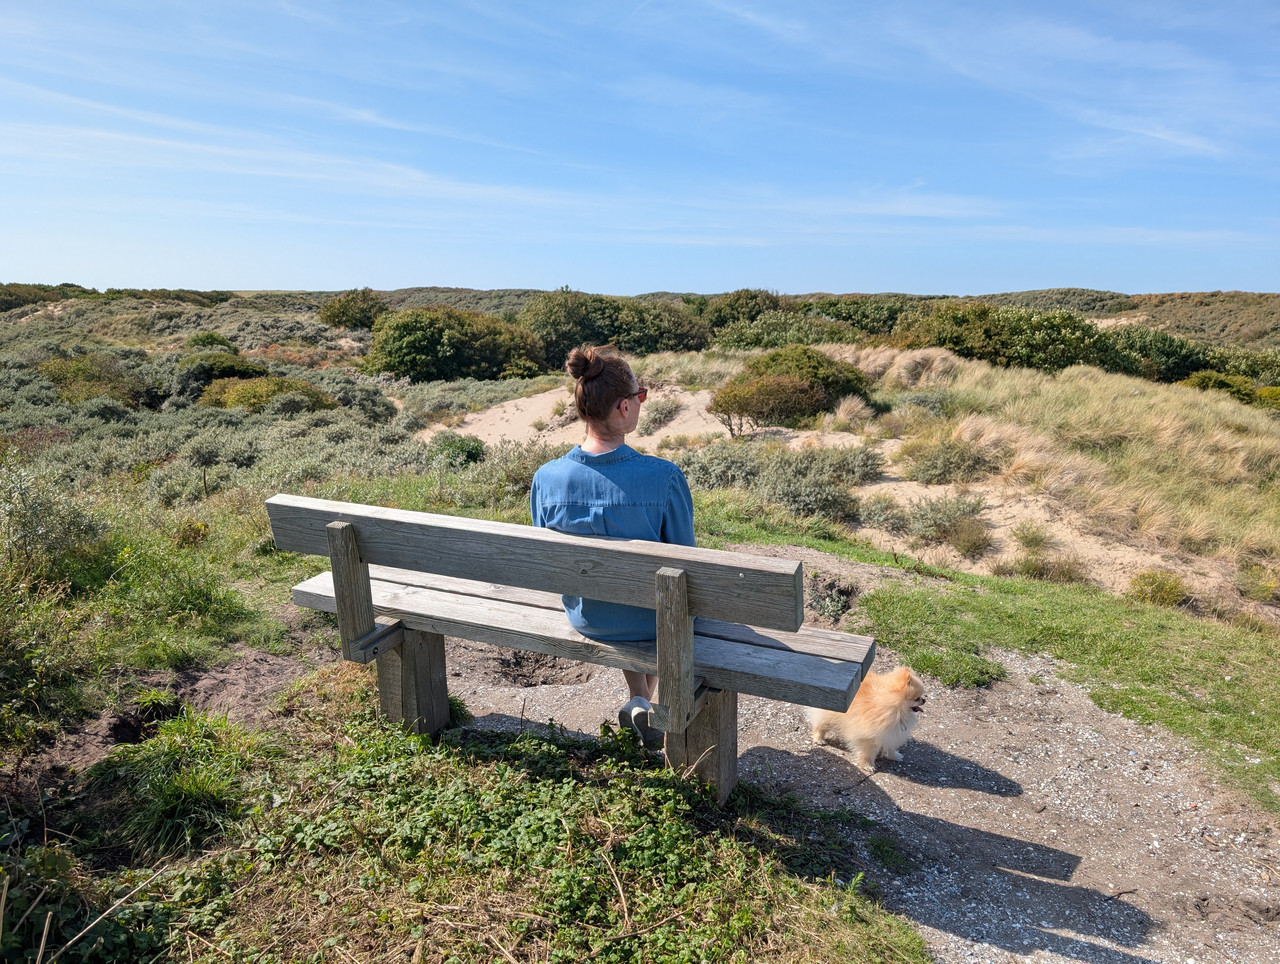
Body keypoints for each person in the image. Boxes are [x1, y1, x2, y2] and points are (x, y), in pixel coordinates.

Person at [529, 344, 696, 747]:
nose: (641, 403)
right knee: (666, 603)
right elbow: (688, 566)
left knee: (628, 598)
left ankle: (639, 698)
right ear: (624, 407)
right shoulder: (664, 477)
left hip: (587, 616)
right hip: (653, 622)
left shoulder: (546, 479)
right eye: (640, 397)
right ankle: (645, 701)